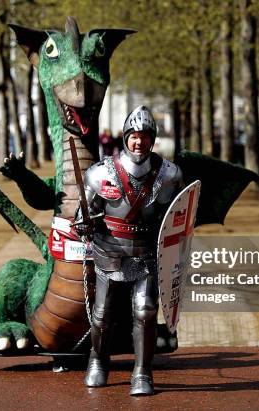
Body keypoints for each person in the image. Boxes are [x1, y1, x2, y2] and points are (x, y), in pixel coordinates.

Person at [76, 106, 183, 395]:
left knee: (146, 311)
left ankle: (142, 372)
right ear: (125, 137)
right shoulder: (100, 173)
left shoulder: (169, 175)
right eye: (134, 136)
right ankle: (97, 361)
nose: (139, 143)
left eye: (145, 137)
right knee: (101, 315)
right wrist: (84, 225)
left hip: (147, 254)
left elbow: (177, 217)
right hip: (108, 252)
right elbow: (83, 214)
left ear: (152, 140)